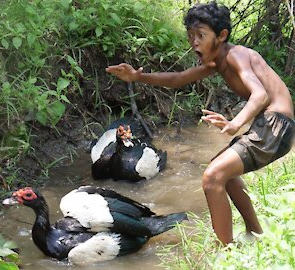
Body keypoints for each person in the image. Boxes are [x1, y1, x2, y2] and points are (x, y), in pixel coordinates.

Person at [106, 1, 294, 245]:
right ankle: (254, 234)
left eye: (201, 35)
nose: (194, 42)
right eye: (191, 35)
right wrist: (138, 76)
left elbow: (261, 95)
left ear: (222, 35)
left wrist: (235, 124)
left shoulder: (236, 55)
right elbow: (177, 79)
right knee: (222, 172)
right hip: (273, 125)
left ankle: (225, 251)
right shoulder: (217, 62)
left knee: (212, 177)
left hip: (275, 125)